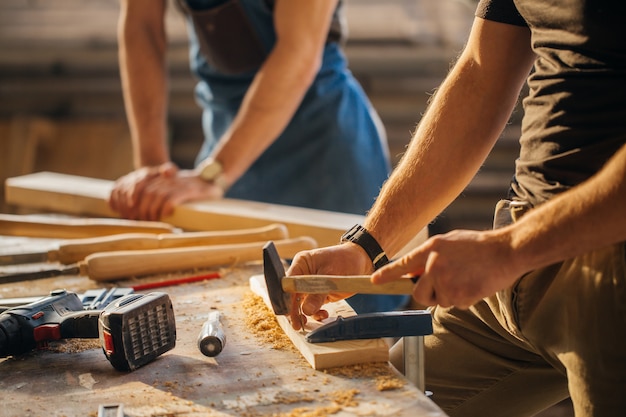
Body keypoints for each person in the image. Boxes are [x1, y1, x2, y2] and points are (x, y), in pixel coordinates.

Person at [286, 1, 626, 416]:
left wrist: (509, 249)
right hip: (519, 259)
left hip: (609, 271)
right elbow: (482, 74)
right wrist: (368, 247)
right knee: (374, 407)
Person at [109, 0, 407, 313]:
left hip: (322, 144)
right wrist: (154, 171)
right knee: (235, 306)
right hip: (227, 139)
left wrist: (216, 172)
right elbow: (141, 26)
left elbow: (298, 52)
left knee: (355, 309)